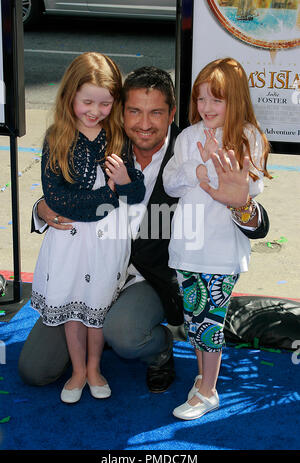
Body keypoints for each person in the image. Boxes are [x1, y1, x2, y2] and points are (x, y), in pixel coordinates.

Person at [19, 65, 269, 395]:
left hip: (146, 278)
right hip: (87, 270)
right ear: (121, 111)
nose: (144, 123)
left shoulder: (193, 147)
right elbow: (69, 186)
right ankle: (97, 340)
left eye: (156, 112)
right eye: (134, 111)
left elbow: (256, 221)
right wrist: (41, 208)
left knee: (125, 332)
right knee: (35, 369)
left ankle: (160, 347)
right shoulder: (100, 138)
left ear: (172, 113)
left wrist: (242, 205)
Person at [30, 52, 145, 404]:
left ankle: (94, 367)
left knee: (96, 310)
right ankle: (78, 370)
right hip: (68, 242)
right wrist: (105, 201)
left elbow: (136, 192)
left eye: (105, 103)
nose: (95, 111)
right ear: (70, 97)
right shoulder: (57, 137)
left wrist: (123, 182)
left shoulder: (118, 138)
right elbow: (57, 198)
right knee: (71, 308)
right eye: (87, 102)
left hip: (105, 244)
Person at [162, 57, 271, 420]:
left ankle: (208, 391)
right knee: (196, 319)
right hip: (186, 247)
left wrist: (213, 163)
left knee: (211, 322)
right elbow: (170, 183)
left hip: (221, 251)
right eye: (201, 99)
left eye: (216, 100)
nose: (205, 108)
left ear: (235, 100)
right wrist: (197, 166)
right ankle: (202, 377)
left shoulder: (248, 137)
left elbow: (248, 188)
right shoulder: (188, 136)